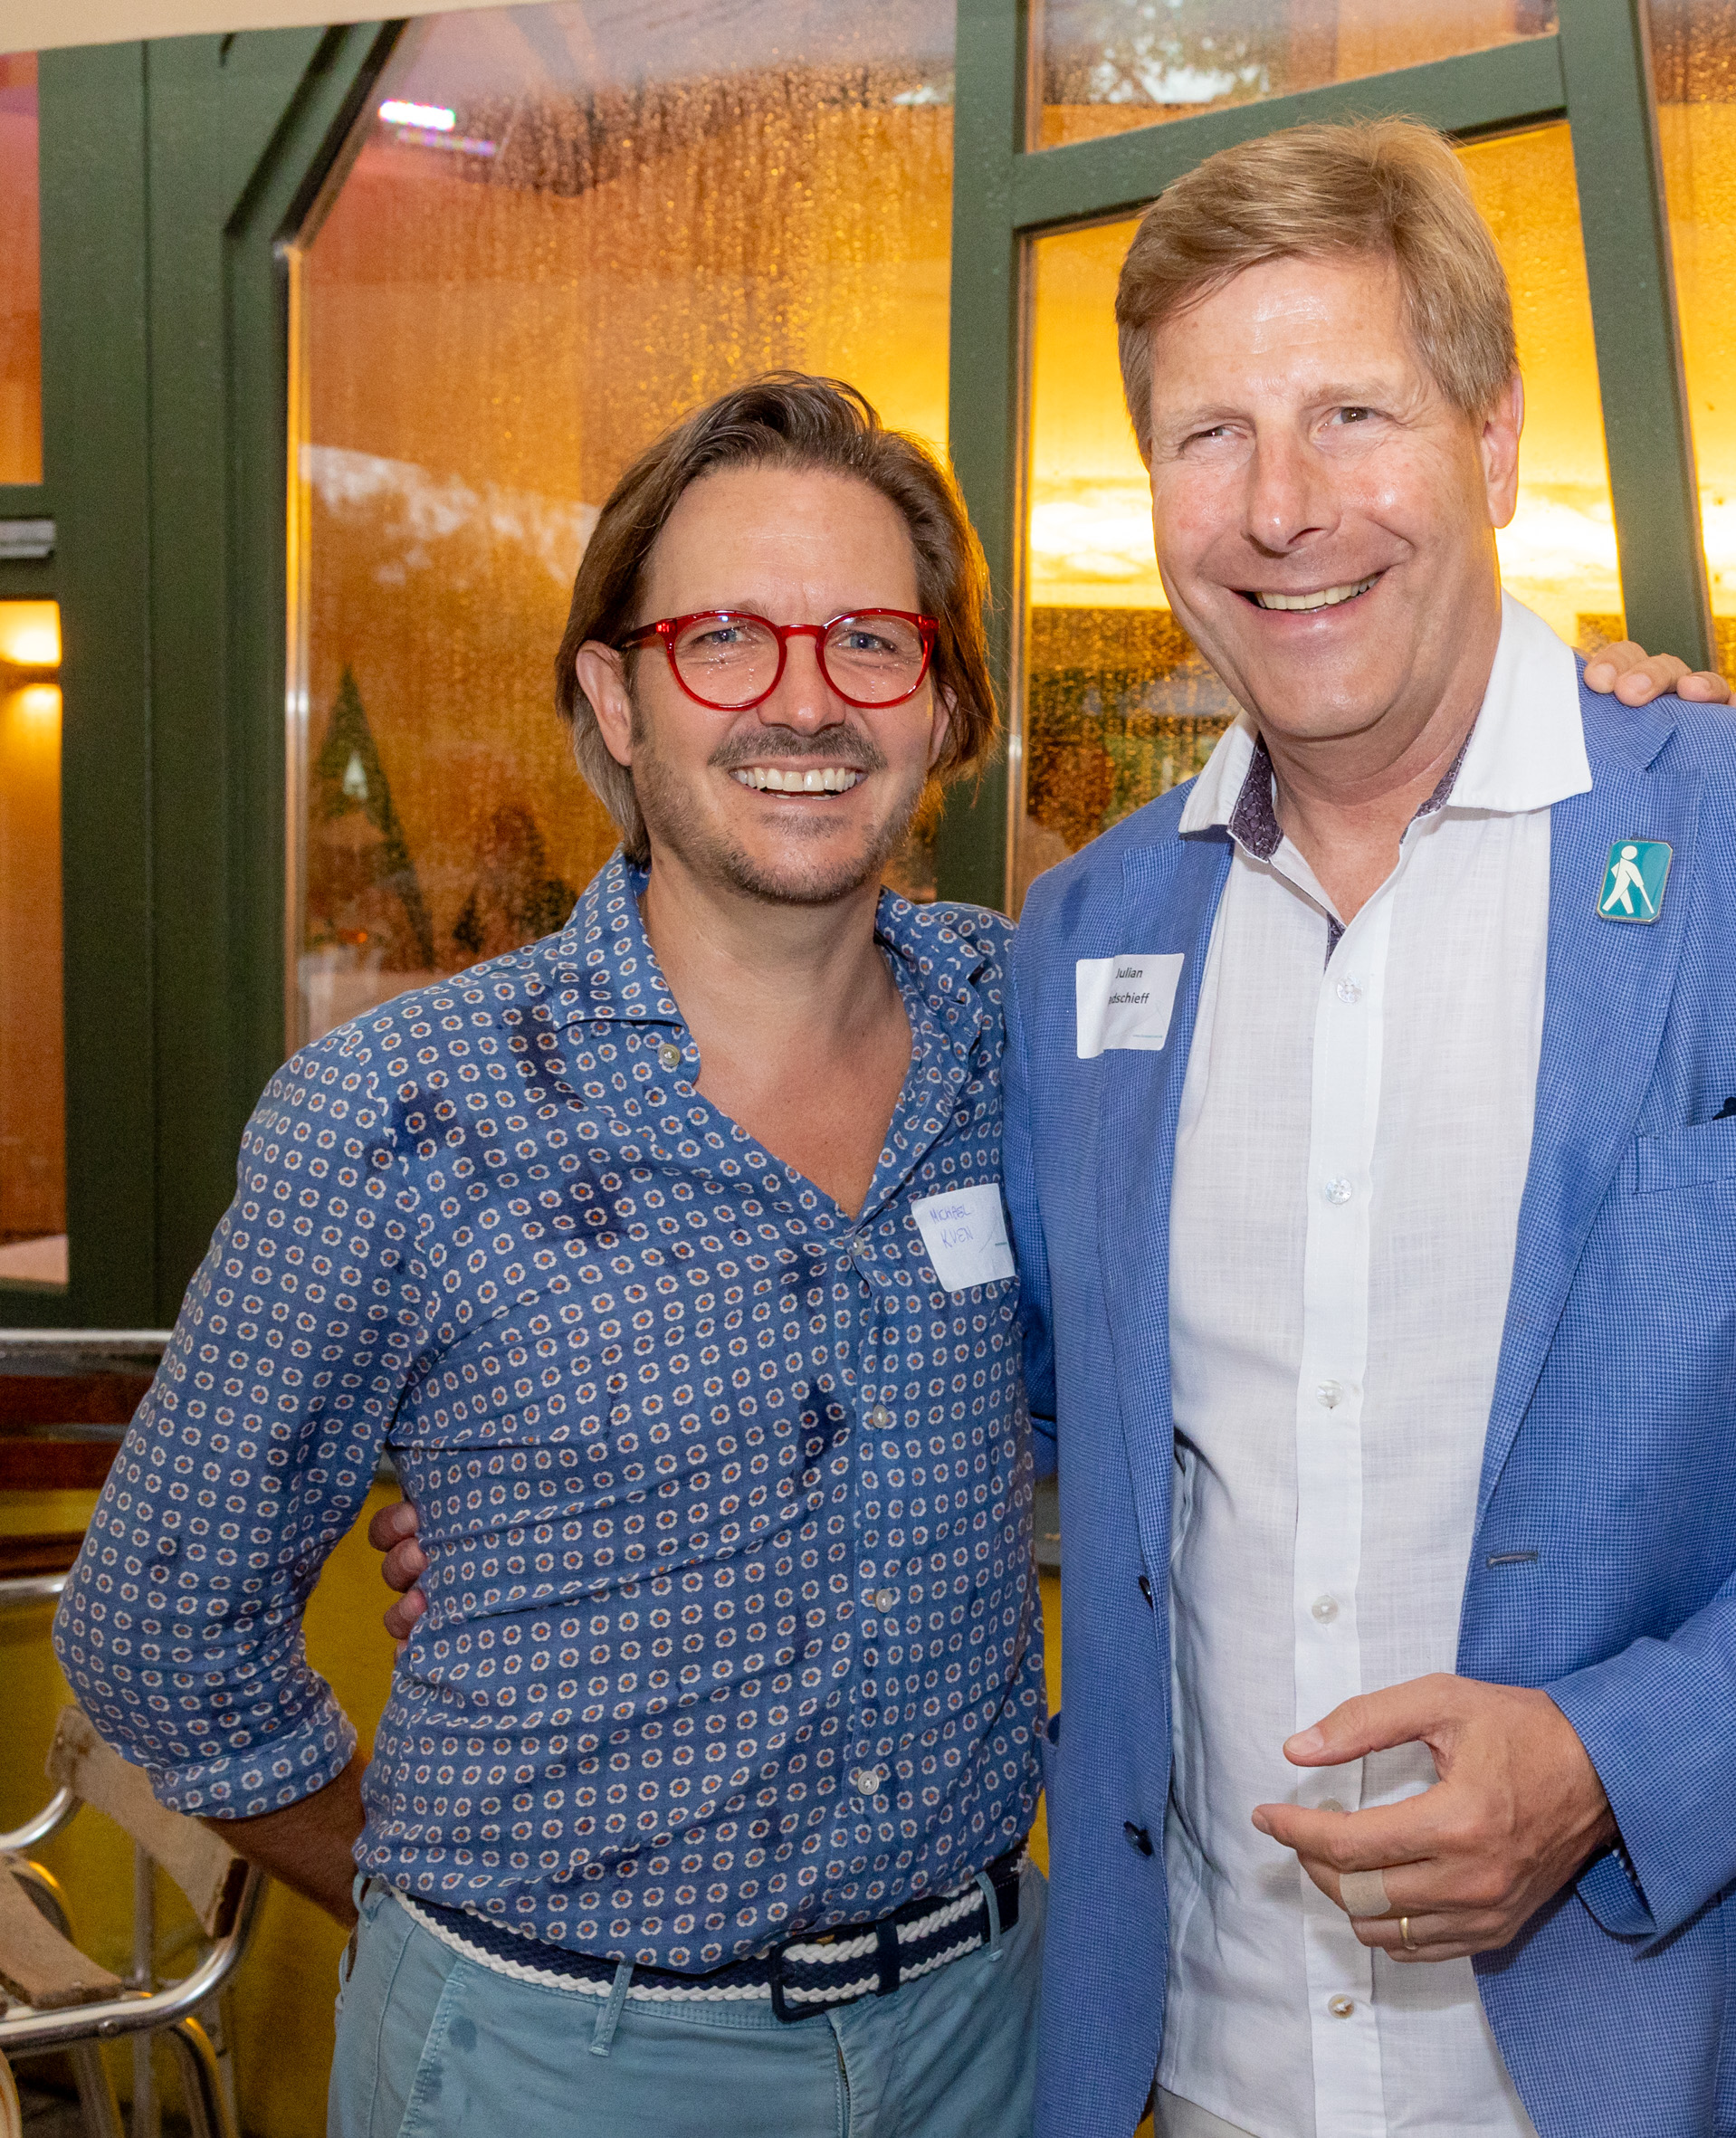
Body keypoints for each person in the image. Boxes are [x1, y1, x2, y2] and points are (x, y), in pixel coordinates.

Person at [1006, 121, 1736, 2138]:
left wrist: (1607, 1763)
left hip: (1669, 2062)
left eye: (1351, 413)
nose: (1282, 506)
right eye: (1211, 436)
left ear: (1490, 444)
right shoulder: (1086, 934)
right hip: (1204, 2064)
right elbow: (1032, 1410)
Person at [56, 375, 1050, 2138]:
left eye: (872, 639)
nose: (804, 699)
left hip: (984, 2035)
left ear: (946, 699)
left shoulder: (1030, 1037)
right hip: (553, 2062)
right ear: (614, 694)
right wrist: (424, 1903)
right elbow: (158, 1629)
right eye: (722, 638)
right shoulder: (398, 1114)